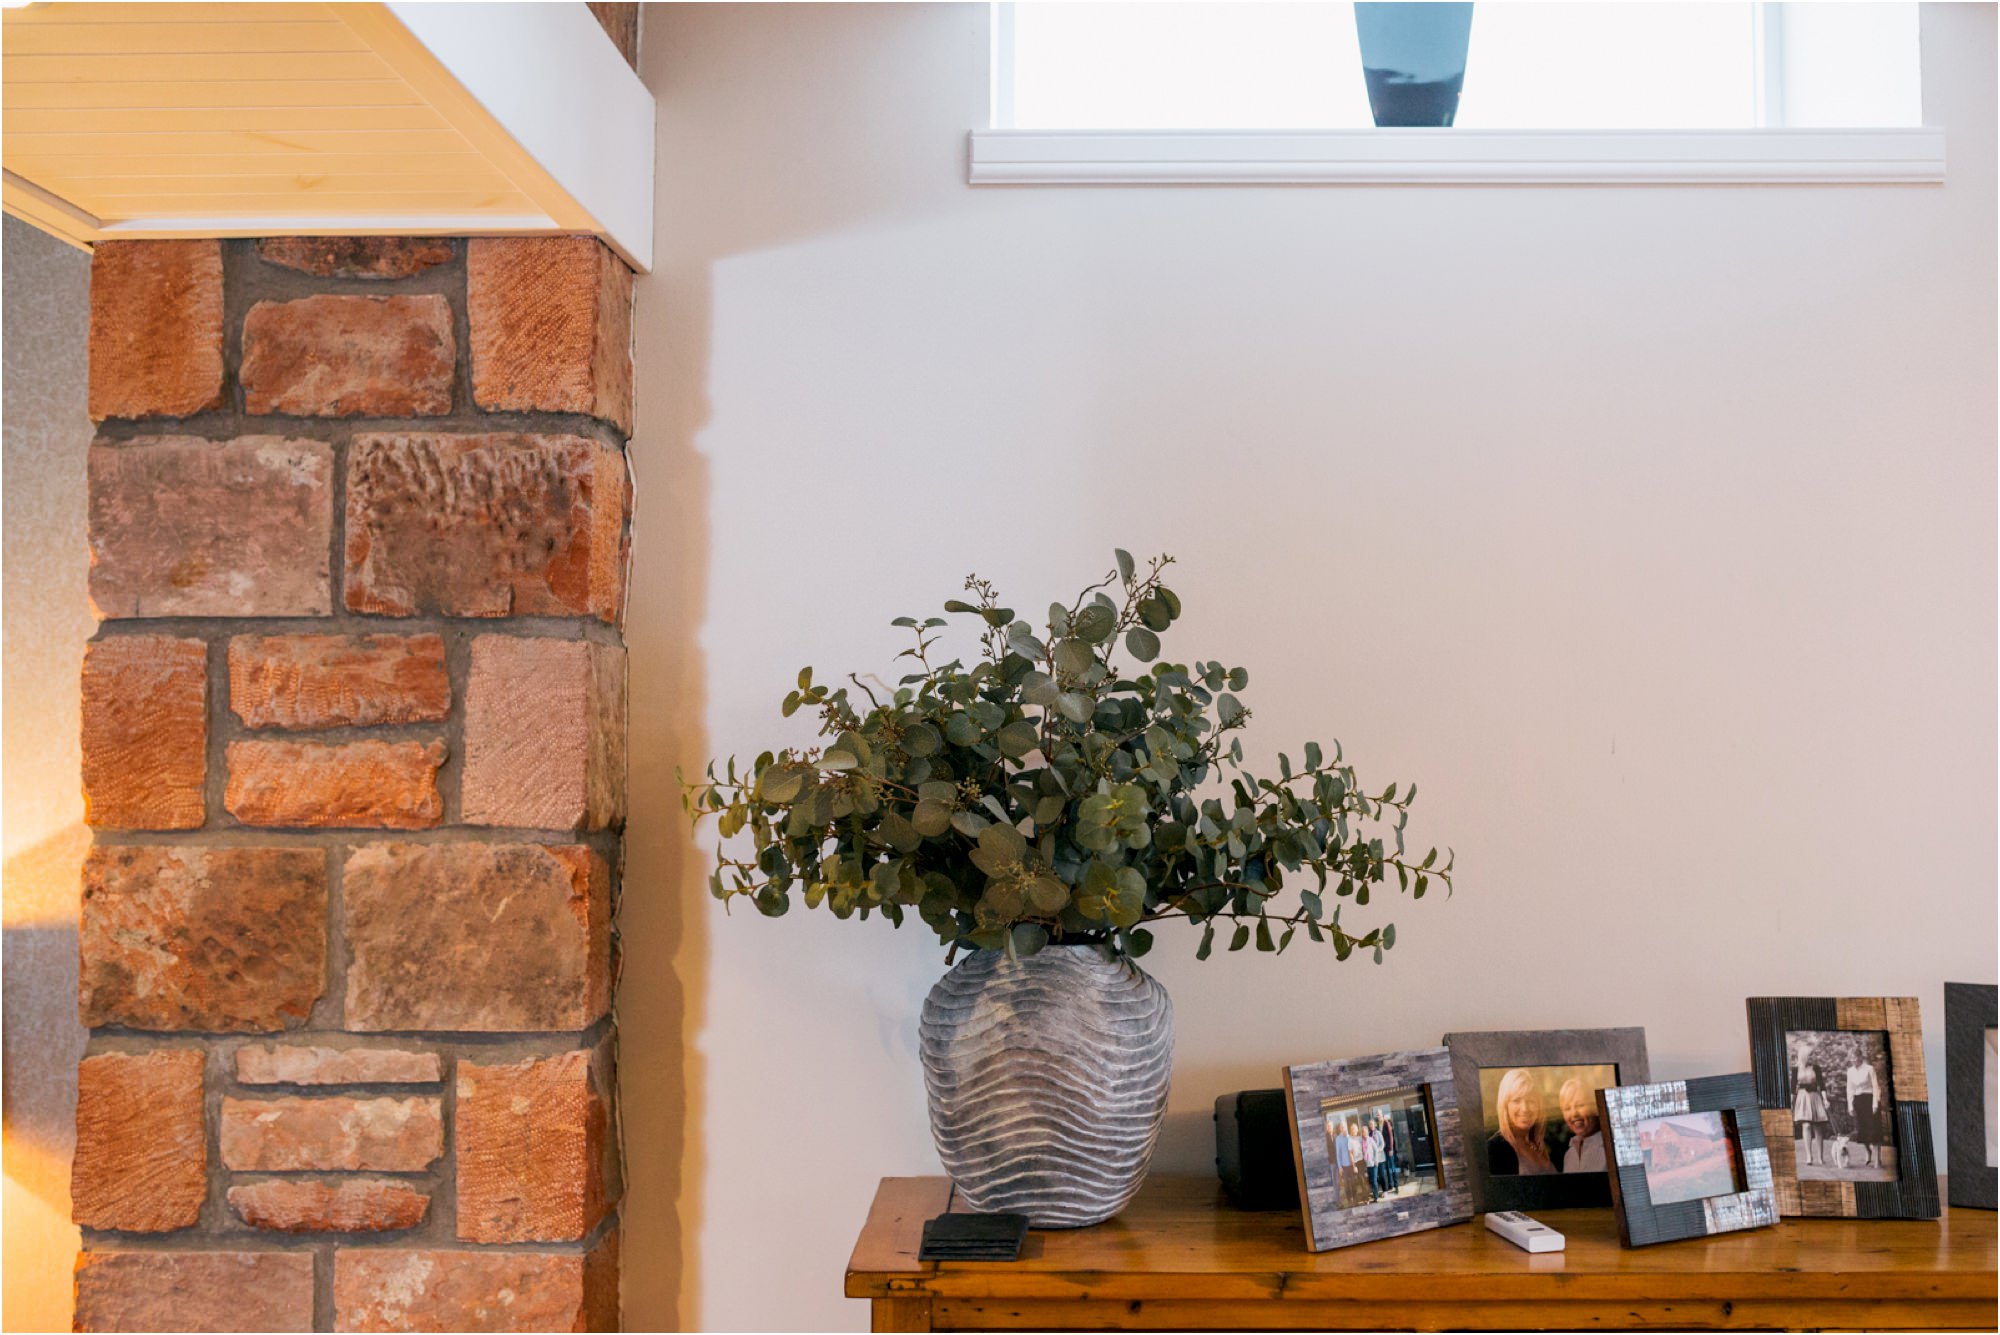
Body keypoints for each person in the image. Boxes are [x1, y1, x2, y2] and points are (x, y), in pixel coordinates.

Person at [1487, 1068, 1556, 1175]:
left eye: (1531, 1101)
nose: (1524, 1109)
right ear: (1505, 1105)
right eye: (1516, 1100)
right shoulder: (1495, 1149)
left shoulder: (1539, 1145)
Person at [1845, 1052, 1885, 1169]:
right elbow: (1849, 1089)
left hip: (1870, 1100)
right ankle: (1868, 1152)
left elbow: (1875, 1086)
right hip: (1858, 1101)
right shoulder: (1850, 1071)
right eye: (1851, 1058)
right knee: (1862, 1130)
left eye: (1855, 1057)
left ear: (1860, 1057)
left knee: (1874, 1129)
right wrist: (1850, 1106)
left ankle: (1877, 1159)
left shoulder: (1869, 1069)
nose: (1853, 1060)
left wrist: (1875, 1104)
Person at [1557, 1078, 1606, 1173]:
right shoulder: (1569, 1155)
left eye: (1580, 1105)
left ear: (1596, 1108)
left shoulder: (1609, 1148)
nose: (1574, 1113)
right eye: (1567, 1108)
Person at [1793, 1056, 1830, 1168]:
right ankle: (1809, 1156)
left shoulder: (1816, 1068)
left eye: (1809, 1056)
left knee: (1818, 1128)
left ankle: (1820, 1157)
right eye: (1806, 1055)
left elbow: (1821, 1085)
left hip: (1815, 1097)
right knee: (1806, 1126)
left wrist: (1825, 1099)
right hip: (1803, 1098)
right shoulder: (1796, 1069)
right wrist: (1791, 1101)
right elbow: (1792, 1086)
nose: (1808, 1058)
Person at [1330, 1112, 1356, 1207]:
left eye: (1344, 1127)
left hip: (1352, 1164)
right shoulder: (1338, 1139)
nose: (1343, 1128)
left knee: (1353, 1182)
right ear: (1340, 1128)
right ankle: (1349, 1199)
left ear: (1346, 1127)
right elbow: (1338, 1154)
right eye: (1341, 1127)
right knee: (1346, 1184)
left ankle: (1354, 1197)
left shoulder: (1350, 1136)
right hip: (1344, 1165)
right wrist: (1340, 1166)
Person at [1362, 1116, 1384, 1201]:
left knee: (1374, 1180)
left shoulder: (1371, 1140)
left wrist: (1376, 1161)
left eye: (1365, 1132)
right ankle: (1375, 1195)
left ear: (1367, 1132)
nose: (1364, 1133)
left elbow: (1375, 1151)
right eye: (1363, 1132)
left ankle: (1376, 1197)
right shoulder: (1362, 1142)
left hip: (1374, 1163)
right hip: (1367, 1164)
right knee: (1371, 1180)